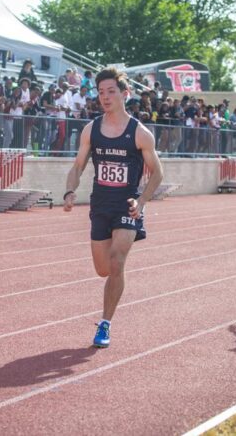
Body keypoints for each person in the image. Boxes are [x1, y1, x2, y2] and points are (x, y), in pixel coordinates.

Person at [63, 68, 163, 348]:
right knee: (103, 269)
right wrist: (70, 190)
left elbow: (157, 173)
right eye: (101, 92)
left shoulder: (140, 134)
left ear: (124, 94)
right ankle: (111, 288)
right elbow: (78, 165)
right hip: (101, 205)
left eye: (111, 91)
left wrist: (141, 202)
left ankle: (105, 324)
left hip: (127, 205)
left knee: (117, 261)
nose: (105, 97)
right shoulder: (91, 129)